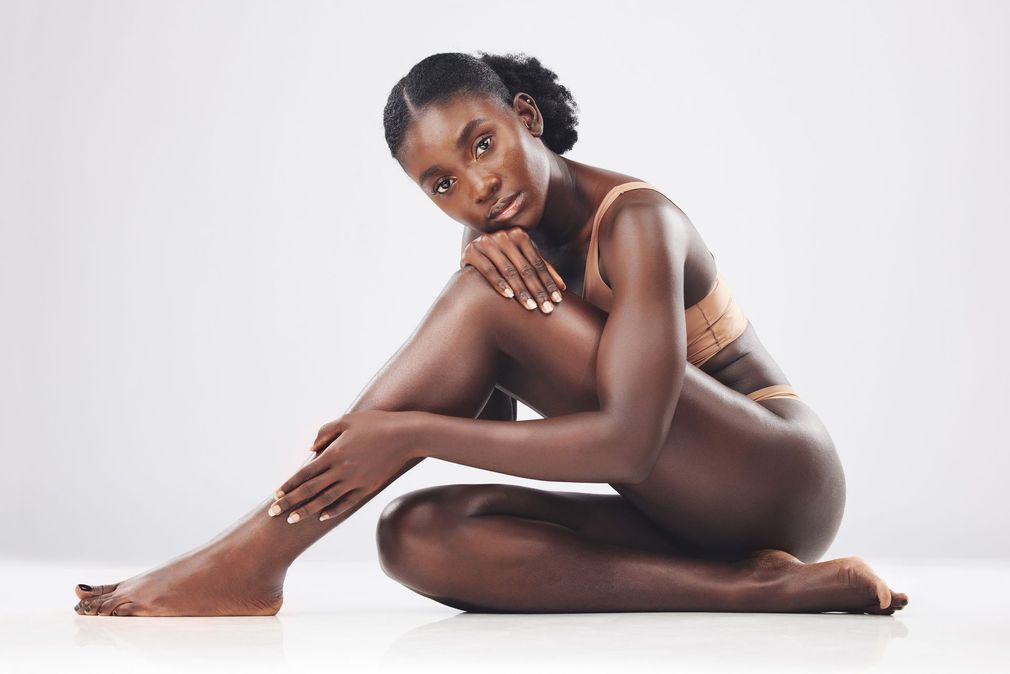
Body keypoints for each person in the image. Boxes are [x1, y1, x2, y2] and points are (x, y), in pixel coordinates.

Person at [72, 51, 908, 617]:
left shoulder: (636, 222)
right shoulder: (496, 248)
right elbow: (497, 431)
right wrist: (431, 429)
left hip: (775, 478)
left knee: (484, 300)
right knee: (417, 536)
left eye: (483, 144)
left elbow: (626, 445)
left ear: (525, 117)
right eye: (443, 183)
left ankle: (255, 555)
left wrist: (408, 430)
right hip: (679, 514)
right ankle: (757, 590)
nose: (478, 186)